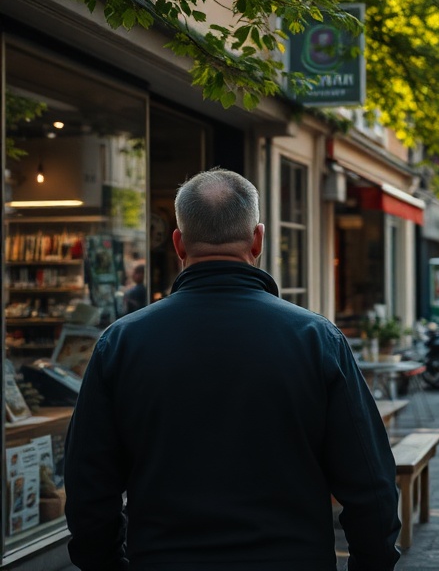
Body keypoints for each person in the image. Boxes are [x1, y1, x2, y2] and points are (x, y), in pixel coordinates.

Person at [64, 168, 401, 571]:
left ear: (179, 243)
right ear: (258, 239)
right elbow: (371, 483)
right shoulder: (315, 340)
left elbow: (88, 486)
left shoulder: (121, 344)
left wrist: (106, 563)